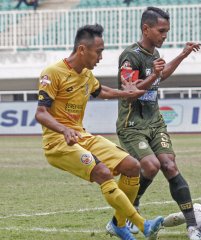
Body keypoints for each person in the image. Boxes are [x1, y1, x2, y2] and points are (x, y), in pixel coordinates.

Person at [35, 23, 164, 240]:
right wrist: (64, 129)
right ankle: (142, 224)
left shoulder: (85, 74)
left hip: (81, 136)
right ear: (82, 50)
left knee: (132, 166)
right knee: (103, 172)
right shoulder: (52, 73)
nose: (101, 57)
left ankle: (118, 224)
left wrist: (127, 94)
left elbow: (100, 90)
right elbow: (41, 113)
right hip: (58, 143)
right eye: (99, 51)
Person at [116, 6, 201, 240]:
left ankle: (193, 226)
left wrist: (183, 55)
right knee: (151, 166)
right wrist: (153, 75)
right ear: (146, 29)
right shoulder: (130, 56)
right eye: (161, 31)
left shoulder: (154, 55)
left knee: (170, 165)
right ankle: (130, 211)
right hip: (132, 124)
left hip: (155, 122)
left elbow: (161, 76)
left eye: (167, 31)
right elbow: (131, 91)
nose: (165, 35)